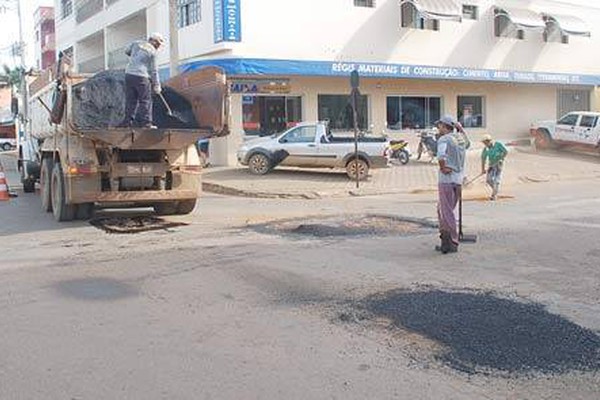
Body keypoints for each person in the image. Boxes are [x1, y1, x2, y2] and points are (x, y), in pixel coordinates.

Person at [435, 115, 468, 254]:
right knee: (445, 210)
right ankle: (445, 241)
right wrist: (460, 129)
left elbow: (441, 156)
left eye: (440, 126)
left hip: (446, 180)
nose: (438, 128)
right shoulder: (460, 138)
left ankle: (452, 241)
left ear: (445, 126)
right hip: (458, 180)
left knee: (446, 211)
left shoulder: (443, 139)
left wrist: (443, 168)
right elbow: (468, 143)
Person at [119, 32, 165, 129]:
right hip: (142, 77)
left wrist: (135, 57)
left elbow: (127, 51)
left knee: (131, 101)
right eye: (158, 43)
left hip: (129, 75)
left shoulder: (136, 43)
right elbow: (154, 71)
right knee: (145, 101)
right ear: (153, 41)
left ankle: (127, 123)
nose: (158, 46)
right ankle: (146, 123)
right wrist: (157, 85)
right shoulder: (152, 52)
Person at [481, 134, 508, 201]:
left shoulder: (497, 145)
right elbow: (483, 159)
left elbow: (505, 152)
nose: (485, 144)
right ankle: (495, 190)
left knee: (496, 180)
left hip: (499, 164)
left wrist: (501, 158)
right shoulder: (485, 149)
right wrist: (483, 169)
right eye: (484, 143)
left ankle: (494, 195)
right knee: (489, 180)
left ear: (489, 141)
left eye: (485, 142)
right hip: (491, 165)